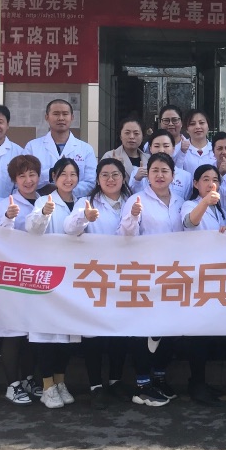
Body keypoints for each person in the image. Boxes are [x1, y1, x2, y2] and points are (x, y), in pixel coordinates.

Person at [63, 158, 133, 409]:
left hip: (125, 275)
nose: (110, 179)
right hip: (95, 277)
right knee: (92, 332)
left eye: (115, 174)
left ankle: (115, 381)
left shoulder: (132, 201)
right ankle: (95, 386)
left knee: (120, 331)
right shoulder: (86, 202)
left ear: (123, 178)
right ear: (98, 179)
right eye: (105, 175)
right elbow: (69, 229)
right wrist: (84, 217)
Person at [118, 152, 184, 407]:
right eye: (155, 170)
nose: (159, 175)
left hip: (173, 275)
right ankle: (142, 384)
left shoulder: (180, 201)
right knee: (143, 329)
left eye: (164, 171)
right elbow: (125, 236)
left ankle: (158, 377)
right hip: (144, 275)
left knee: (167, 330)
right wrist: (133, 216)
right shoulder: (137, 200)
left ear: (173, 175)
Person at [25, 157, 82, 409]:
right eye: (63, 174)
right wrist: (45, 213)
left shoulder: (81, 202)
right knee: (46, 333)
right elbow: (33, 229)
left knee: (67, 336)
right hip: (47, 275)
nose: (68, 179)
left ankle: (60, 381)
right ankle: (47, 386)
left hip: (73, 277)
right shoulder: (43, 201)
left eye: (73, 174)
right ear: (54, 177)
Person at [0, 154, 42, 404]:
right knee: (13, 332)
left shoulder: (45, 201)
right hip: (13, 276)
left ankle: (29, 379)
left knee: (32, 332)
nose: (28, 180)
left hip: (39, 276)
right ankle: (12, 384)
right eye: (22, 176)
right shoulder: (5, 203)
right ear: (14, 179)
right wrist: (9, 217)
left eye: (32, 174)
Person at [181, 163, 226, 406]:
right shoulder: (191, 204)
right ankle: (196, 383)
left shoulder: (220, 209)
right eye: (206, 179)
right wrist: (205, 202)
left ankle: (201, 381)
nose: (212, 184)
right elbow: (190, 222)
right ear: (196, 184)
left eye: (215, 179)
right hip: (195, 276)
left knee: (208, 332)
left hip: (215, 276)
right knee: (197, 333)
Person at [24, 99, 96, 196]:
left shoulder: (86, 149)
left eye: (65, 114)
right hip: (40, 201)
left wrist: (63, 191)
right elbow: (24, 178)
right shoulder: (32, 147)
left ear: (72, 117)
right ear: (47, 117)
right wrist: (49, 174)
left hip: (75, 202)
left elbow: (90, 183)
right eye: (56, 114)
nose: (61, 118)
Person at [129, 130, 194, 199]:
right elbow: (131, 197)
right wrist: (137, 180)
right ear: (150, 149)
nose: (161, 150)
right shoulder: (137, 173)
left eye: (166, 146)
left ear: (173, 149)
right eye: (157, 146)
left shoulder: (186, 177)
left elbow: (186, 200)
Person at [150, 104, 190, 169]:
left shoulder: (190, 146)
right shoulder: (150, 145)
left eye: (175, 120)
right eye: (166, 120)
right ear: (160, 123)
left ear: (181, 123)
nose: (171, 124)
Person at [182, 109, 216, 174]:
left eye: (201, 123)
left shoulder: (215, 149)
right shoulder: (181, 150)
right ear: (186, 129)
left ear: (208, 126)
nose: (197, 127)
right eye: (192, 124)